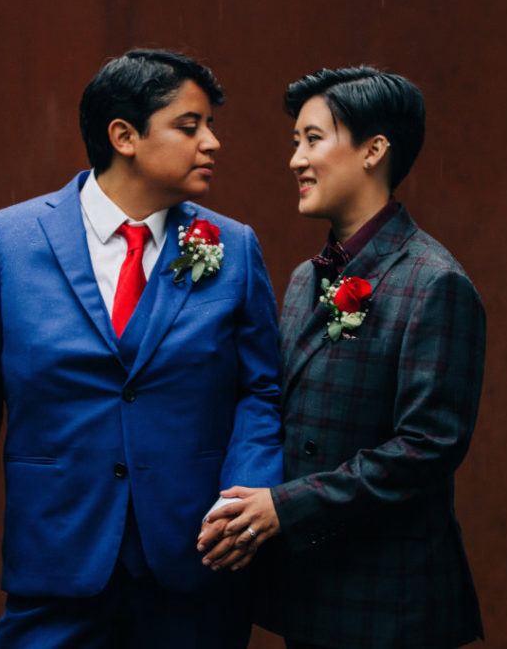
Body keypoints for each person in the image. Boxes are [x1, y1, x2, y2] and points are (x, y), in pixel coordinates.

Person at [0, 49, 283, 648]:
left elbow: (260, 390)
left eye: (211, 127)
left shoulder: (234, 248)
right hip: (56, 560)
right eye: (190, 126)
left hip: (194, 564)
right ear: (124, 136)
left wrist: (241, 497)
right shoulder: (8, 240)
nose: (212, 143)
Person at [198, 67, 486, 648]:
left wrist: (286, 506)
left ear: (374, 150)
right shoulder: (308, 277)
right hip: (312, 592)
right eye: (295, 143)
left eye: (313, 139)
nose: (295, 161)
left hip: (391, 603)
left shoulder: (434, 282)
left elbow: (427, 447)